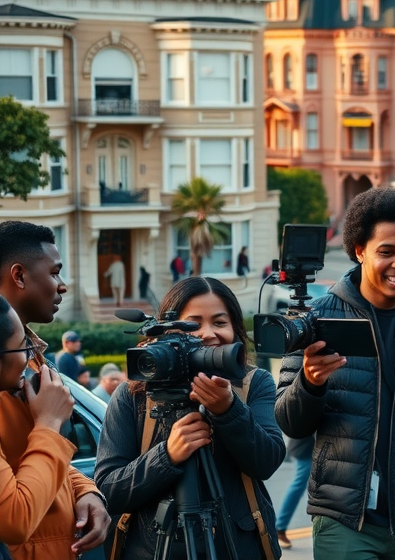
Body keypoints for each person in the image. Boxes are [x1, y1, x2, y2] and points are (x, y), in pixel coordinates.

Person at [274, 187, 395, 560]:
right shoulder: (315, 319)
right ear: (360, 251)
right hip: (344, 521)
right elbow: (290, 422)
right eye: (386, 252)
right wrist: (310, 382)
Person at [94, 276, 285, 559]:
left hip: (236, 548)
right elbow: (108, 489)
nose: (208, 333)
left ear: (235, 330)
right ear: (165, 331)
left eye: (220, 322)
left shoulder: (253, 384)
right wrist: (167, 455)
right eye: (193, 324)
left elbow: (266, 461)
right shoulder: (133, 395)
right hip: (152, 549)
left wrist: (228, 410)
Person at [0, 220, 109, 560]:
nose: (62, 286)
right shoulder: (6, 372)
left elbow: (44, 457)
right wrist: (48, 422)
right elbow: (13, 511)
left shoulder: (31, 360)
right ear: (19, 276)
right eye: (55, 273)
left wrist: (87, 491)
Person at [275, 434, 314, 549]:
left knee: (307, 486)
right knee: (299, 485)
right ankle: (279, 528)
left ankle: (280, 528)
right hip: (305, 447)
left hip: (305, 446)